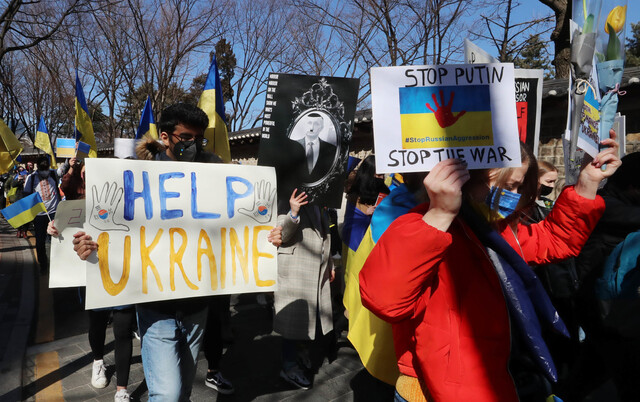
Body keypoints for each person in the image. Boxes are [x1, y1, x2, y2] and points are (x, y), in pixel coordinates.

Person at [359, 133, 620, 402]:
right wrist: (439, 215)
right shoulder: (421, 226)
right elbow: (386, 301)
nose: (513, 197)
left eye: (519, 188)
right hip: (434, 391)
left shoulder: (497, 233)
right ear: (466, 178)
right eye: (508, 186)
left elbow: (554, 240)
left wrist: (587, 185)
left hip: (498, 383)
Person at [73, 103, 226, 401]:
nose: (193, 144)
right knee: (166, 395)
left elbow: (240, 227)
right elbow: (104, 221)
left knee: (181, 390)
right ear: (166, 137)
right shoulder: (133, 174)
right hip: (155, 307)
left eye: (199, 138)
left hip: (198, 305)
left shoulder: (215, 170)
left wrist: (265, 234)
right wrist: (78, 240)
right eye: (186, 137)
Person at [48, 155, 135, 402]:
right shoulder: (77, 203)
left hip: (123, 273)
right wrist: (52, 228)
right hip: (93, 276)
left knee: (123, 330)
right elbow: (61, 227)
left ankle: (122, 389)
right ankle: (98, 361)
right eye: (87, 173)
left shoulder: (128, 200)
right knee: (96, 325)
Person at [570, 152, 640, 401]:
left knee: (594, 369)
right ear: (632, 186)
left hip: (608, 303)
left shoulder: (621, 204)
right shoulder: (605, 206)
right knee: (622, 371)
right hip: (600, 303)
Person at [269, 189, 335, 389]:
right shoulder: (286, 198)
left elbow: (325, 236)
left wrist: (330, 264)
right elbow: (281, 235)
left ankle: (299, 355)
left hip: (316, 271)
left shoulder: (319, 200)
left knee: (310, 320)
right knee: (293, 326)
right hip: (296, 272)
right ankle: (289, 368)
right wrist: (293, 212)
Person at [23, 156, 60, 274]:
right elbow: (26, 196)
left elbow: (64, 169)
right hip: (39, 215)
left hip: (54, 212)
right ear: (38, 167)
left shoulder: (54, 174)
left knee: (55, 239)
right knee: (40, 242)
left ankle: (56, 264)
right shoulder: (32, 177)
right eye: (42, 169)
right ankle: (43, 265)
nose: (45, 172)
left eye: (46, 169)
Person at [292, 112, 336, 183]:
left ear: (322, 127)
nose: (312, 127)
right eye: (309, 123)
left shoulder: (331, 149)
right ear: (304, 126)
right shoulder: (292, 146)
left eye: (316, 124)